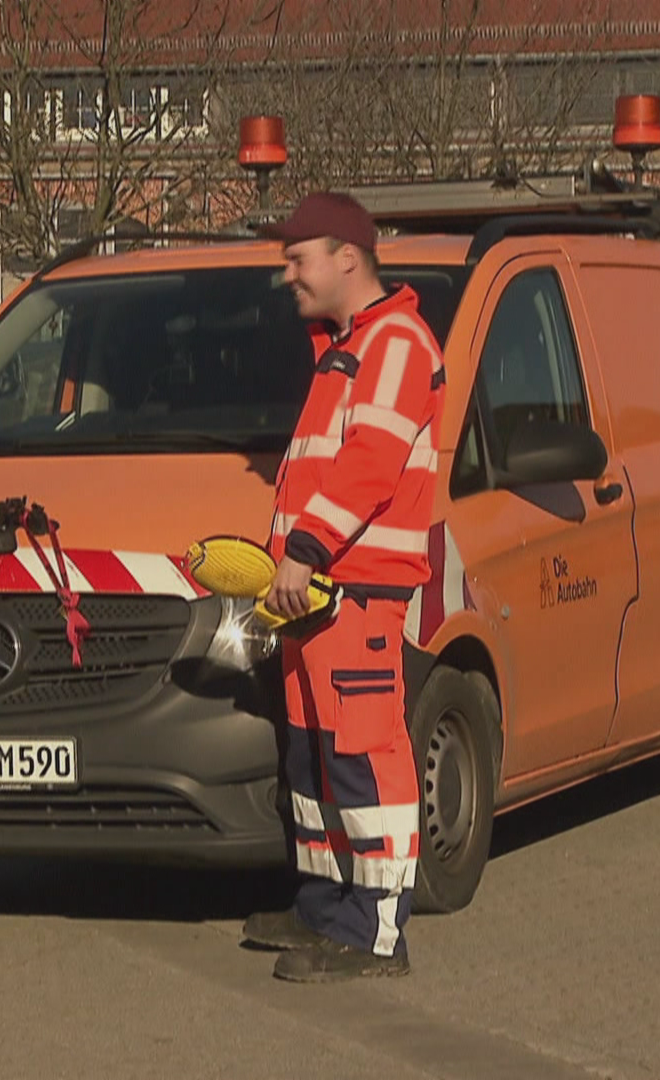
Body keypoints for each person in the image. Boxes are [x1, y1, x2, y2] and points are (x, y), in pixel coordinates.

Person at [245, 193, 445, 982]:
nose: (287, 274)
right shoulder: (349, 346)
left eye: (299, 259)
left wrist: (302, 549)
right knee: (316, 756)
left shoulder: (393, 343)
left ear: (348, 259)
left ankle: (376, 931)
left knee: (363, 755)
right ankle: (326, 906)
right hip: (319, 591)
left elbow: (368, 467)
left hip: (352, 588)